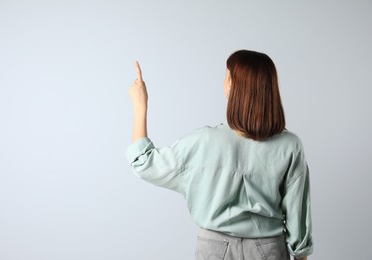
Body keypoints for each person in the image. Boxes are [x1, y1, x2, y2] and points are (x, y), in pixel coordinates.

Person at [126, 50, 313, 260]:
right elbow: (298, 215)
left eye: (226, 76)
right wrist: (300, 255)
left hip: (214, 250)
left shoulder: (203, 141)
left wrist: (140, 105)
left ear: (231, 87)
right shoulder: (290, 146)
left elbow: (143, 162)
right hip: (269, 249)